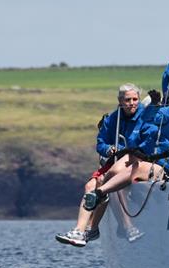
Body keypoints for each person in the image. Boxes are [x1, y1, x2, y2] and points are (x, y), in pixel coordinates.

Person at [55, 84, 157, 247]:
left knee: (110, 180)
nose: (131, 103)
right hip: (115, 160)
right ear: (120, 101)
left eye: (135, 99)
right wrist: (108, 149)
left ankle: (121, 227)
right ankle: (80, 231)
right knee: (90, 186)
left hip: (136, 159)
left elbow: (149, 141)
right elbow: (101, 143)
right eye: (127, 100)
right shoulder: (112, 119)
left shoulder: (146, 117)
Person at [82, 95, 169, 212]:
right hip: (150, 157)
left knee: (138, 168)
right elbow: (152, 118)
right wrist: (154, 105)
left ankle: (100, 193)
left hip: (167, 168)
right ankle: (99, 201)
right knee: (116, 170)